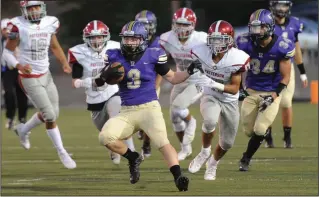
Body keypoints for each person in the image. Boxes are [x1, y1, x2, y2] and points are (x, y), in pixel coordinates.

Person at [97, 21, 202, 191]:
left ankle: (178, 176)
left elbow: (174, 78)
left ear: (143, 39)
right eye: (127, 39)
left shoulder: (153, 55)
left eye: (134, 39)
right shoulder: (113, 55)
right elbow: (100, 84)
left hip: (149, 108)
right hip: (126, 111)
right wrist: (103, 77)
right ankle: (133, 157)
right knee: (105, 137)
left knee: (162, 142)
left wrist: (189, 70)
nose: (129, 43)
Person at [2, 1, 76, 169]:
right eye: (30, 8)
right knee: (49, 114)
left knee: (53, 114)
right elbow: (7, 52)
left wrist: (64, 63)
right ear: (24, 10)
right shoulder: (17, 25)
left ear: (42, 7)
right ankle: (62, 151)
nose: (34, 11)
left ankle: (23, 130)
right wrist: (20, 66)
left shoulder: (50, 22)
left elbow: (55, 46)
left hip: (46, 74)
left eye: (36, 7)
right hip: (28, 76)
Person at [188, 20, 250, 180]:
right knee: (209, 121)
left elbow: (235, 88)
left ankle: (213, 164)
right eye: (214, 39)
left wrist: (213, 82)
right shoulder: (200, 51)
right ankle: (204, 151)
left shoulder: (236, 57)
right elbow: (193, 69)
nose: (217, 44)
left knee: (227, 143)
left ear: (229, 39)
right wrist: (198, 82)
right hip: (210, 95)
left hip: (229, 99)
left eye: (221, 39)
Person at [68, 20, 135, 165]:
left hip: (113, 92)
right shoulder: (79, 52)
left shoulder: (115, 48)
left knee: (118, 119)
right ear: (87, 38)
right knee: (105, 133)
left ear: (106, 36)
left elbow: (126, 67)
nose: (96, 40)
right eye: (93, 37)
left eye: (99, 36)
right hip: (94, 98)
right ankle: (113, 148)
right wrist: (90, 81)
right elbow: (75, 82)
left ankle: (132, 152)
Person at [236, 9, 294, 171]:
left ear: (269, 27)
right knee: (248, 131)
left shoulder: (282, 46)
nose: (256, 31)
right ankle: (262, 131)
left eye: (260, 27)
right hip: (252, 91)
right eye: (254, 27)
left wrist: (274, 96)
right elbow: (238, 68)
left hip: (271, 93)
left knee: (259, 129)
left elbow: (286, 77)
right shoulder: (245, 42)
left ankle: (246, 158)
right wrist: (240, 88)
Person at [159, 7, 209, 161]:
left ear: (193, 25)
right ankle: (185, 148)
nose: (181, 28)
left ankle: (191, 122)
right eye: (179, 24)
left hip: (198, 79)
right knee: (174, 116)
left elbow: (220, 52)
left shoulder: (202, 39)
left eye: (185, 24)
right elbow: (159, 57)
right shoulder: (167, 38)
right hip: (180, 77)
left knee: (178, 107)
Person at [265, 0, 308, 148]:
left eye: (284, 5)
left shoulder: (294, 24)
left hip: (287, 68)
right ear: (272, 6)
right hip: (269, 69)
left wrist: (302, 72)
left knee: (286, 103)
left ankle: (287, 138)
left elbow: (296, 49)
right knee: (267, 103)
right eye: (279, 5)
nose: (282, 9)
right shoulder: (267, 23)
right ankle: (267, 137)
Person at [134, 10, 161, 158]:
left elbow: (161, 68)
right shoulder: (133, 40)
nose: (143, 28)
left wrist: (155, 86)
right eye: (141, 25)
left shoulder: (158, 43)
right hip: (134, 83)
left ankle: (146, 144)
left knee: (149, 117)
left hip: (151, 82)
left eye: (146, 25)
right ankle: (141, 130)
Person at [1, 18, 29, 130]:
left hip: (20, 70)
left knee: (22, 95)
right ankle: (10, 118)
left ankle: (22, 119)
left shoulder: (21, 41)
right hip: (7, 71)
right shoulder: (1, 42)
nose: (7, 32)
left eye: (9, 29)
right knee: (9, 94)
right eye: (4, 29)